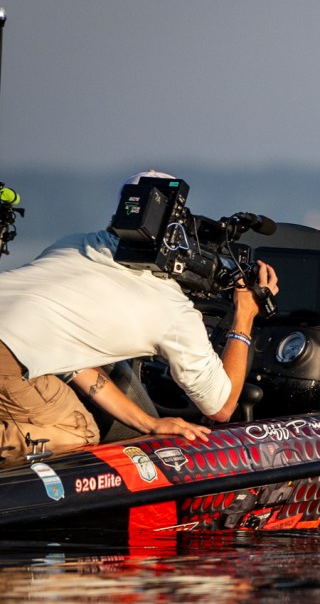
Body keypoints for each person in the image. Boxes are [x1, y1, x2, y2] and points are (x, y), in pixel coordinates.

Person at [0, 171, 279, 467]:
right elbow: (221, 407)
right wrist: (245, 314)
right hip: (7, 357)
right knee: (79, 431)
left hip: (16, 350)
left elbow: (72, 362)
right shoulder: (171, 309)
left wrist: (149, 423)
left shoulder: (72, 244)